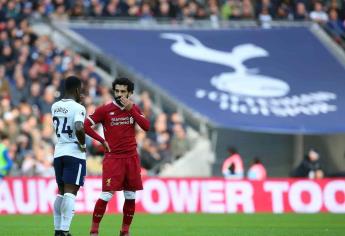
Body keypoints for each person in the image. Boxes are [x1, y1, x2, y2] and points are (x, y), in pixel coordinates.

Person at [85, 77, 150, 236]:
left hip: (131, 158)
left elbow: (146, 127)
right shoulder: (104, 110)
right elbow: (85, 126)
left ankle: (124, 231)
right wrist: (101, 140)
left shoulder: (133, 108)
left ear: (130, 93)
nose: (119, 94)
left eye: (123, 91)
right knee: (106, 194)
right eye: (117, 91)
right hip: (113, 159)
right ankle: (94, 231)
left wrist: (131, 110)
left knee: (130, 195)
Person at [51, 76, 87, 236]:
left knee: (61, 191)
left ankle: (58, 230)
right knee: (71, 192)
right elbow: (79, 127)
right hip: (74, 152)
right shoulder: (78, 108)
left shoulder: (55, 106)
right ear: (78, 90)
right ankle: (65, 231)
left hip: (59, 151)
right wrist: (83, 145)